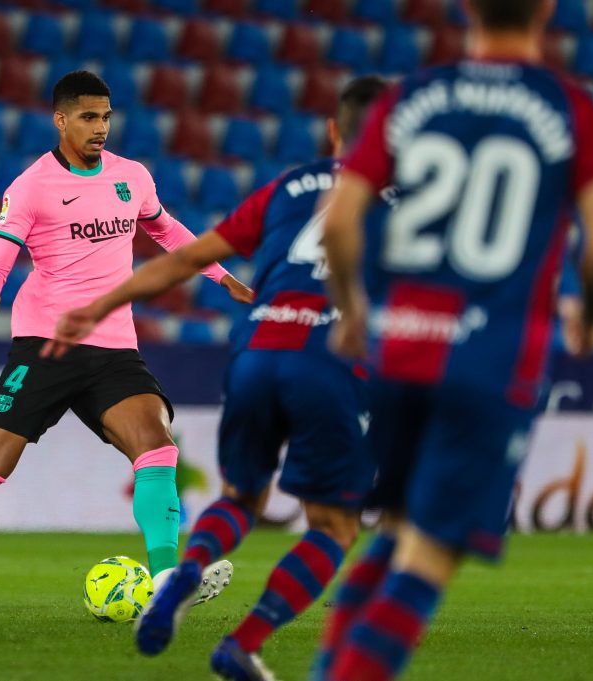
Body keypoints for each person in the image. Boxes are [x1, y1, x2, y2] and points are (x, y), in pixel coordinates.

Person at [315, 1, 593, 679]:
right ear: (546, 9)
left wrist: (353, 309)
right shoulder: (575, 107)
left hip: (399, 347)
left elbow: (338, 220)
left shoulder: (412, 96)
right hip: (492, 358)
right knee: (430, 555)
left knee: (398, 527)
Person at [44, 76, 395, 680]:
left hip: (256, 351)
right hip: (327, 359)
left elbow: (187, 257)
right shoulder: (409, 202)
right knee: (334, 526)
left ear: (333, 131)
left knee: (239, 499)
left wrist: (100, 305)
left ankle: (185, 571)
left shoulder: (288, 187)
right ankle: (243, 642)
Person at [0, 71, 253, 599]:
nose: (101, 128)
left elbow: (165, 229)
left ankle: (166, 579)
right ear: (61, 120)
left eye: (106, 117)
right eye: (89, 117)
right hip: (46, 344)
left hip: (114, 345)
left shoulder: (132, 176)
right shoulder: (31, 187)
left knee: (157, 449)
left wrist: (221, 275)